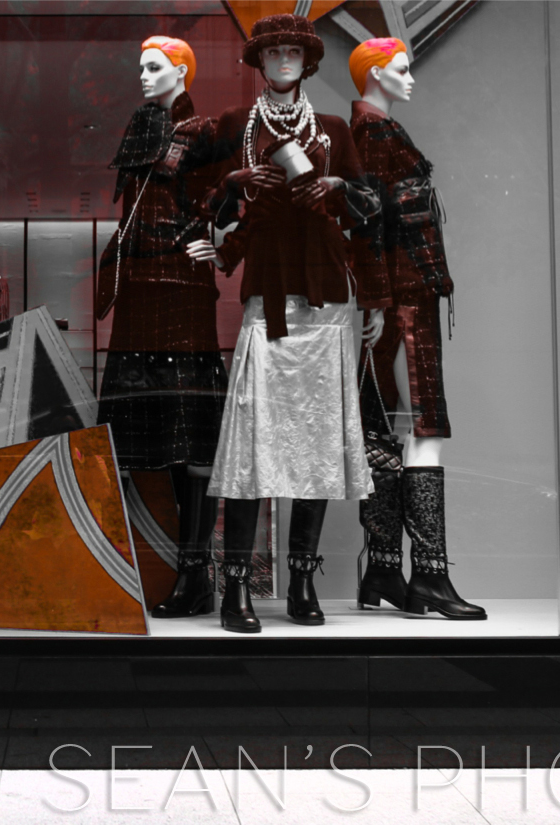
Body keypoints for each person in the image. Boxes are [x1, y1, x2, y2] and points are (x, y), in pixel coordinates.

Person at [186, 14, 382, 633]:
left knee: (317, 440)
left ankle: (301, 581)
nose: (284, 60)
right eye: (273, 53)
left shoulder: (332, 129)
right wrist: (235, 180)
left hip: (325, 299)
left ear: (308, 61)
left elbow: (368, 208)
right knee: (253, 441)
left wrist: (334, 185)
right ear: (260, 62)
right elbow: (205, 207)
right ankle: (235, 588)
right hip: (267, 293)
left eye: (294, 51)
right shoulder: (233, 126)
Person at [92, 35, 230, 620]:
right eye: (142, 67)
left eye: (155, 67)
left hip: (181, 289)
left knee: (188, 431)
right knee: (132, 434)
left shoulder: (204, 132)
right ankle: (124, 570)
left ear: (181, 70)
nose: (144, 76)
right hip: (140, 289)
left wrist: (219, 244)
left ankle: (195, 572)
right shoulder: (142, 128)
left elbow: (231, 198)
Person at [347, 38, 485, 620]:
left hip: (401, 301)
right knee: (420, 429)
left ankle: (383, 567)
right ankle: (427, 575)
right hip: (402, 304)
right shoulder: (375, 134)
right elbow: (369, 225)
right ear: (376, 73)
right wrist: (378, 302)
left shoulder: (376, 132)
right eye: (401, 70)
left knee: (388, 432)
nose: (410, 79)